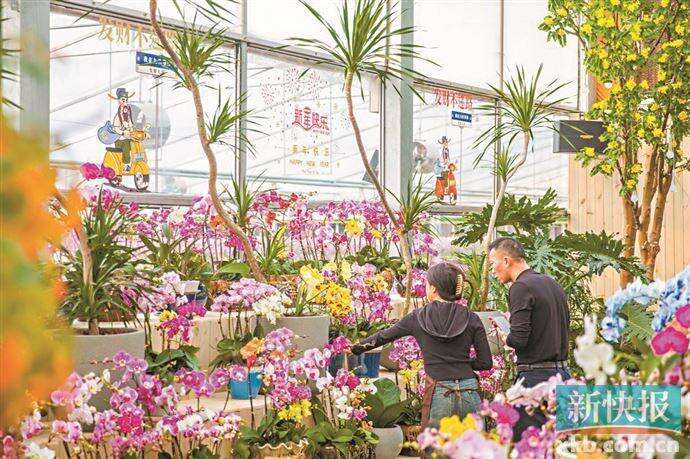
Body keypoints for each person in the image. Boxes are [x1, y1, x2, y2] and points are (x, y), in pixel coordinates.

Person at [351, 262, 492, 428]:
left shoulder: (417, 317)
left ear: (433, 289)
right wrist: (461, 363)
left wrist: (355, 348)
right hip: (470, 391)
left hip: (440, 392)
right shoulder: (472, 318)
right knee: (474, 444)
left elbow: (384, 336)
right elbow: (485, 363)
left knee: (436, 444)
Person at [487, 237, 570, 441]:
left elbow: (519, 339)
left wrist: (505, 337)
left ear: (506, 261)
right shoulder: (552, 283)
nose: (492, 270)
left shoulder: (520, 287)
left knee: (528, 445)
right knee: (557, 446)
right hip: (563, 378)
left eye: (493, 263)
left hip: (535, 382)